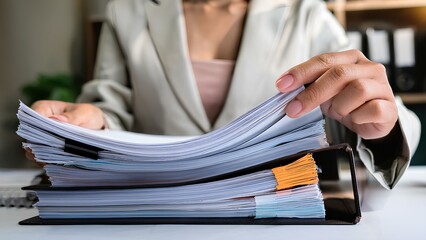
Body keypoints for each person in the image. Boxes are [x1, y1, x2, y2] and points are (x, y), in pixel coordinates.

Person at [29, 0, 420, 189]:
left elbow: (368, 97)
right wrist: (84, 124)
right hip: (157, 212)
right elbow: (109, 104)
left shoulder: (304, 11)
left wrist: (381, 126)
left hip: (274, 207)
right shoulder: (129, 10)